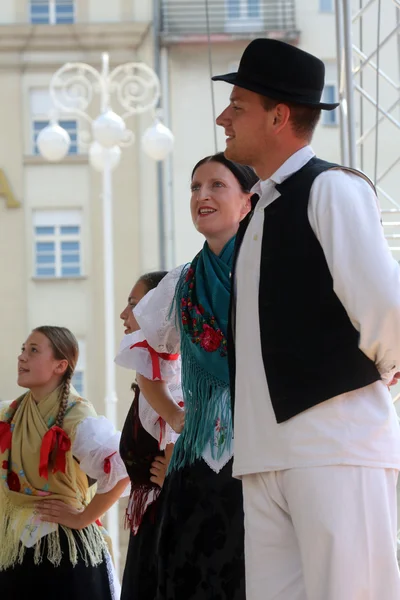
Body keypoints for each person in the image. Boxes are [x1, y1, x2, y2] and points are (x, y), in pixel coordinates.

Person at [212, 38, 400, 600]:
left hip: (334, 443)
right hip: (266, 454)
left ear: (278, 115)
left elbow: (385, 306)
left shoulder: (332, 188)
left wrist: (386, 370)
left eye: (237, 104)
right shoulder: (259, 212)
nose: (224, 117)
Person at [128, 152, 258, 600]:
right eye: (194, 187)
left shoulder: (272, 269)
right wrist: (178, 418)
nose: (201, 195)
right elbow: (144, 354)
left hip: (263, 459)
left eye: (216, 185)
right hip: (196, 465)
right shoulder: (181, 281)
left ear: (248, 201)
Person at [0, 325, 129, 599]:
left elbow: (123, 466)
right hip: (15, 551)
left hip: (66, 552)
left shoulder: (77, 416)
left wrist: (84, 517)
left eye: (33, 350)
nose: (22, 357)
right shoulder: (9, 412)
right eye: (23, 349)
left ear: (60, 365)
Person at [116, 270, 179, 600]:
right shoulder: (152, 377)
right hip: (150, 529)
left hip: (169, 529)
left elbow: (183, 446)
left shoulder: (176, 375)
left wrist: (177, 475)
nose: (124, 314)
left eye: (133, 304)